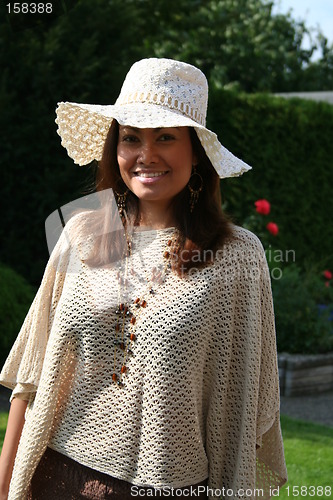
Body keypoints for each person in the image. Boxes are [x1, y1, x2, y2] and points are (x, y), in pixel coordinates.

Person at [0, 58, 287, 499]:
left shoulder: (236, 256)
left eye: (166, 137)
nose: (146, 155)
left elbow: (240, 409)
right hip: (54, 476)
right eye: (131, 138)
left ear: (196, 151)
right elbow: (31, 379)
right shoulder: (79, 234)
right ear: (115, 149)